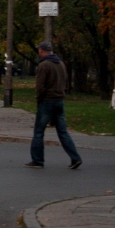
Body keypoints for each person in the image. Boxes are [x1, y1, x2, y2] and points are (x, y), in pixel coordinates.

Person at [25, 41, 83, 170]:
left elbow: (40, 86)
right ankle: (75, 158)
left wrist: (38, 99)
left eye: (39, 49)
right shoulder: (60, 64)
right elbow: (66, 82)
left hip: (47, 101)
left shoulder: (44, 65)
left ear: (41, 51)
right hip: (59, 100)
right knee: (63, 131)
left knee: (39, 131)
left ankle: (37, 160)